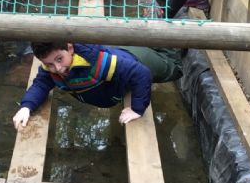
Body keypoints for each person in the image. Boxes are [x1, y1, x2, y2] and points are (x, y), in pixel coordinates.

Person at [12, 42, 183, 129]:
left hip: (137, 60)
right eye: (49, 64)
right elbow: (41, 84)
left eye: (59, 59)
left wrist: (137, 109)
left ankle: (160, 26)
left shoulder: (97, 64)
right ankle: (150, 34)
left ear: (70, 48)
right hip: (119, 56)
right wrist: (26, 107)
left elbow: (141, 73)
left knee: (174, 68)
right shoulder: (50, 70)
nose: (57, 68)